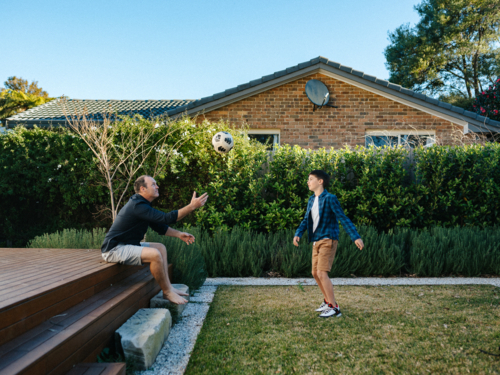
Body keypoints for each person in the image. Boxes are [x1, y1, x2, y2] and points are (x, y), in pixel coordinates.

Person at [101, 175, 208, 305]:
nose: (157, 186)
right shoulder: (137, 205)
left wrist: (179, 234)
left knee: (160, 248)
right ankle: (167, 292)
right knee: (154, 254)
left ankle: (169, 288)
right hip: (114, 249)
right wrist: (191, 207)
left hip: (127, 245)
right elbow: (167, 218)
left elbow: (161, 227)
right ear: (143, 188)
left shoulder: (143, 205)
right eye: (153, 184)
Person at [293, 170, 364, 318]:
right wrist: (298, 233)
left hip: (328, 239)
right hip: (316, 240)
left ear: (320, 182)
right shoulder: (311, 200)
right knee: (314, 273)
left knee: (322, 273)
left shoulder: (330, 198)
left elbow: (342, 217)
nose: (308, 181)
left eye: (311, 179)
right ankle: (327, 301)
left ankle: (334, 308)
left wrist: (355, 237)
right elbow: (306, 220)